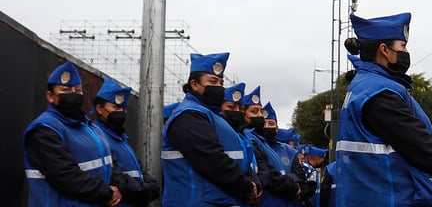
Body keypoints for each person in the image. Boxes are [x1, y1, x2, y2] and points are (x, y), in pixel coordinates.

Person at [334, 12, 432, 207]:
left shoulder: (369, 86)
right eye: (402, 46)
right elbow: (413, 140)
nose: (406, 52)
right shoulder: (378, 91)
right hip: (391, 198)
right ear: (384, 50)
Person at [162, 52, 262, 205]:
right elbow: (212, 160)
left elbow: (244, 159)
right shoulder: (188, 115)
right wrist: (246, 187)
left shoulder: (213, 117)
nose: (219, 87)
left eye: (221, 83)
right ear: (194, 84)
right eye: (213, 82)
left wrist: (253, 182)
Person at [23, 61, 125, 206]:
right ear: (50, 96)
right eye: (65, 90)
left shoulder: (90, 128)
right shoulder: (43, 130)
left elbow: (111, 163)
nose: (73, 94)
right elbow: (66, 175)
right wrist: (108, 193)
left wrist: (118, 186)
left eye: (77, 90)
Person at [92, 78, 161, 206]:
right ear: (99, 109)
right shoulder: (97, 137)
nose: (120, 112)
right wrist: (144, 191)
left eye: (123, 109)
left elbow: (140, 171)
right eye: (115, 107)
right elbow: (115, 175)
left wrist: (150, 186)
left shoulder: (121, 139)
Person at [242, 88, 300, 207]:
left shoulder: (259, 140)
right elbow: (269, 173)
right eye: (254, 111)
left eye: (260, 112)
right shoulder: (250, 139)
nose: (259, 115)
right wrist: (292, 186)